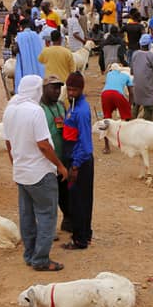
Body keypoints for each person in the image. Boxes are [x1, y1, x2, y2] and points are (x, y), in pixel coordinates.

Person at [3, 74, 67, 272]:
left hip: (22, 172)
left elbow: (8, 143)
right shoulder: (35, 111)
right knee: (47, 215)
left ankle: (29, 254)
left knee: (27, 216)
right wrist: (59, 166)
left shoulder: (10, 109)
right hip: (40, 172)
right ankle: (40, 259)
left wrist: (16, 165)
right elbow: (44, 145)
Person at [60, 72, 93, 250]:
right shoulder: (71, 106)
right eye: (69, 89)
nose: (71, 92)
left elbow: (86, 144)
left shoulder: (81, 111)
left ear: (81, 89)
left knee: (79, 202)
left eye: (74, 90)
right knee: (81, 200)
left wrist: (75, 165)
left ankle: (80, 239)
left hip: (80, 162)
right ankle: (85, 235)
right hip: (74, 159)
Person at [40, 77, 69, 232]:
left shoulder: (61, 106)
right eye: (53, 88)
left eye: (59, 88)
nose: (57, 91)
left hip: (62, 158)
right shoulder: (39, 109)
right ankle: (48, 230)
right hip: (47, 161)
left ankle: (67, 220)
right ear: (43, 89)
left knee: (65, 193)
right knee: (48, 198)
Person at [100, 65, 134, 152]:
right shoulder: (126, 76)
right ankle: (128, 142)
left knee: (106, 119)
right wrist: (129, 105)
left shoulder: (109, 74)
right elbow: (131, 92)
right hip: (117, 94)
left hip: (105, 94)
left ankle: (106, 147)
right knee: (127, 118)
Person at [131, 34, 153, 120]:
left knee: (136, 105)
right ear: (149, 45)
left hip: (136, 86)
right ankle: (146, 125)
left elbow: (132, 71)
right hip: (147, 87)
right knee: (149, 108)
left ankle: (131, 123)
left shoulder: (135, 54)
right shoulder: (151, 56)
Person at [14, 18, 45, 86]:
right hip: (37, 65)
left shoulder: (19, 36)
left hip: (25, 65)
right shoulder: (36, 35)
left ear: (21, 26)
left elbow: (15, 50)